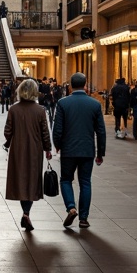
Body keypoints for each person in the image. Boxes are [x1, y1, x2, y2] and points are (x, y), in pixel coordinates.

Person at [51, 71, 106, 229]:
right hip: (87, 150)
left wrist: (58, 145)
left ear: (70, 86)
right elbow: (100, 131)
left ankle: (71, 207)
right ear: (85, 85)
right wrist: (100, 152)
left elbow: (57, 129)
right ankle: (83, 218)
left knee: (66, 179)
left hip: (68, 149)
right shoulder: (95, 104)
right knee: (85, 182)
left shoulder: (63, 103)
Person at [3, 78, 53, 231]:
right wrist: (47, 149)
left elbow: (7, 132)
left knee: (20, 179)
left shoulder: (13, 109)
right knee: (32, 179)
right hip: (34, 149)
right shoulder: (40, 110)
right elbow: (45, 132)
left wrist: (11, 140)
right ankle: (26, 213)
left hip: (17, 149)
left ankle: (25, 212)